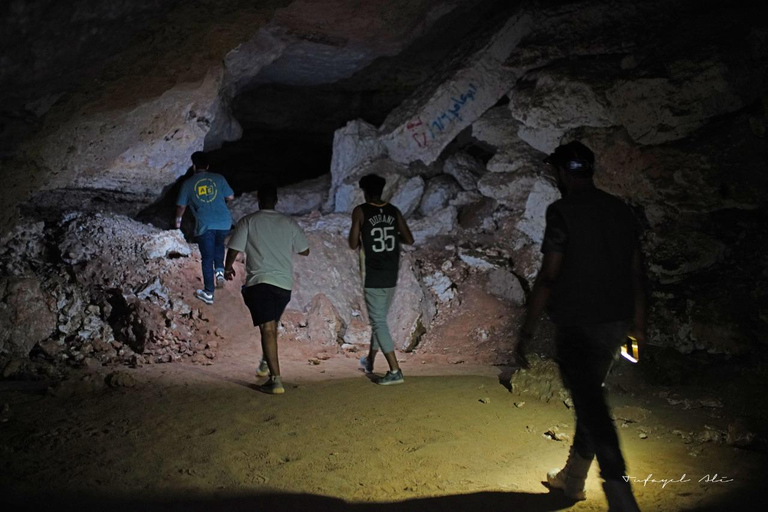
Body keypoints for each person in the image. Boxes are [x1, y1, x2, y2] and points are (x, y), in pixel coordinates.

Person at [518, 141, 646, 511]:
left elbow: (548, 277)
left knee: (592, 405)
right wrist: (638, 324)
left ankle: (618, 489)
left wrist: (526, 332)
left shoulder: (562, 211)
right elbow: (636, 272)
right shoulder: (620, 210)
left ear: (561, 172)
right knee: (591, 400)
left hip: (577, 323)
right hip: (615, 323)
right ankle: (573, 479)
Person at [223, 184, 309, 395]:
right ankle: (264, 362)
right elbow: (305, 250)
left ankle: (276, 380)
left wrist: (227, 268)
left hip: (260, 281)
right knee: (271, 325)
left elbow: (234, 248)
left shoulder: (249, 221)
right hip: (283, 285)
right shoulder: (287, 222)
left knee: (267, 329)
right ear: (276, 201)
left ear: (259, 200)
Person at [348, 174, 414, 386]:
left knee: (378, 322)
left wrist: (359, 228)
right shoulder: (393, 211)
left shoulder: (360, 211)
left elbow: (352, 243)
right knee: (380, 321)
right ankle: (370, 360)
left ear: (364, 192)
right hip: (390, 273)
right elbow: (409, 238)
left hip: (373, 274)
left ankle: (395, 370)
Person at [175, 151, 235, 305]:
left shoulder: (188, 184)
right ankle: (220, 272)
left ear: (193, 166)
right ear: (208, 166)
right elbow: (230, 197)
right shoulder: (218, 178)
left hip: (205, 224)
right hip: (224, 222)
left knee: (207, 258)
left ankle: (209, 292)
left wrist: (178, 221)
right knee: (219, 245)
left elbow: (181, 206)